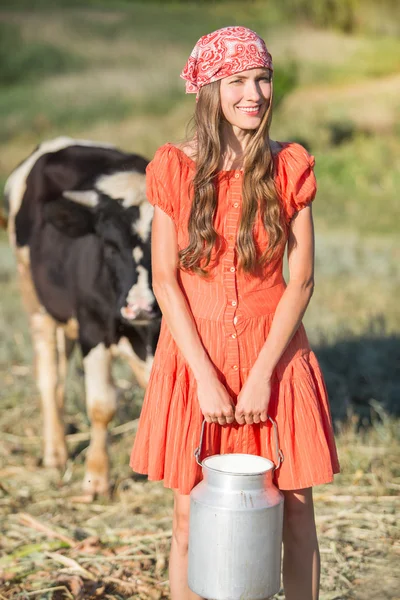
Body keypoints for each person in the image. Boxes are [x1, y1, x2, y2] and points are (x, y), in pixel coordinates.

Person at [130, 25, 340, 600]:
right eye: (238, 81)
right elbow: (166, 282)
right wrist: (204, 379)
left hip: (274, 364)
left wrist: (262, 374)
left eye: (263, 78)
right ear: (209, 91)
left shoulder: (288, 167)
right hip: (198, 367)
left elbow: (301, 282)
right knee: (188, 520)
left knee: (294, 515)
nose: (255, 93)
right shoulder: (175, 169)